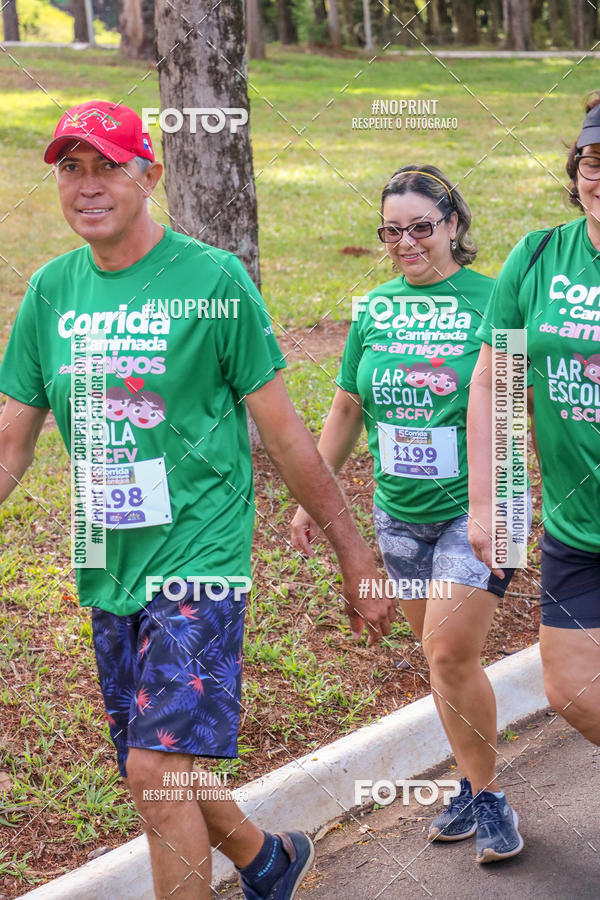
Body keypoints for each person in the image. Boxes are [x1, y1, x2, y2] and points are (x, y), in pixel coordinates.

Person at [0, 101, 395, 900]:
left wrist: (355, 551)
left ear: (149, 175)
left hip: (201, 555)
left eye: (107, 164)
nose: (87, 185)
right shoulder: (50, 293)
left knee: (154, 765)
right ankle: (268, 861)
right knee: (156, 762)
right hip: (108, 557)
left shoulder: (213, 281)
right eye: (70, 168)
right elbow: (12, 439)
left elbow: (284, 435)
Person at [291, 165, 529, 863]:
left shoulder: (495, 299)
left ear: (454, 224)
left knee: (450, 652)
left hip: (486, 505)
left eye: (421, 226)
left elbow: (515, 413)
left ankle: (489, 801)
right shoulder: (375, 308)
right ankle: (471, 780)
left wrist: (498, 505)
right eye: (392, 231)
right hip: (400, 512)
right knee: (442, 661)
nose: (406, 242)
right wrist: (316, 495)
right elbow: (346, 409)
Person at [468, 93, 600, 748]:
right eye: (594, 161)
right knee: (573, 692)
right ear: (576, 169)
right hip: (578, 525)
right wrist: (492, 498)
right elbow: (499, 379)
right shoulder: (541, 256)